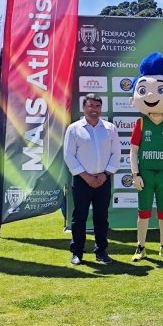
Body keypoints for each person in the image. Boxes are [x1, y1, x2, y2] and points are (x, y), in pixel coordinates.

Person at [129, 52, 163, 262]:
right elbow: (133, 150)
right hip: (145, 173)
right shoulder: (141, 123)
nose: (151, 96)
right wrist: (135, 174)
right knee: (143, 211)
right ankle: (140, 246)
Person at [64, 93, 121, 265]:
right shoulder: (74, 129)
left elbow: (116, 154)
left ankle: (101, 251)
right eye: (90, 106)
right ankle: (77, 253)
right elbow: (69, 155)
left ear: (101, 108)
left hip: (103, 180)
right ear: (84, 107)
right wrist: (86, 176)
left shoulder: (110, 128)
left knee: (101, 217)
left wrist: (105, 174)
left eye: (97, 106)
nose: (94, 109)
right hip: (82, 181)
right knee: (79, 217)